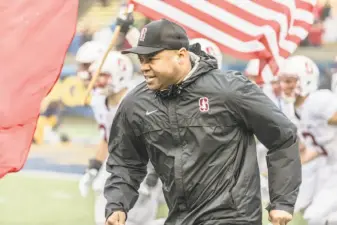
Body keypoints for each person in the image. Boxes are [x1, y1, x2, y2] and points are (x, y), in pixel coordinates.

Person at [104, 19, 301, 225]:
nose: (144, 67)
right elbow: (125, 160)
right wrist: (117, 204)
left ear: (181, 55)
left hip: (233, 217)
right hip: (181, 218)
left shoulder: (229, 90)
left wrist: (282, 201)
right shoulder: (136, 103)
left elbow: (283, 136)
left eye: (152, 59)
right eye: (141, 60)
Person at [278, 55, 337, 225]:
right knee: (308, 211)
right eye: (282, 81)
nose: (284, 86)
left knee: (316, 216)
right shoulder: (293, 109)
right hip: (328, 163)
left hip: (333, 166)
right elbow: (318, 149)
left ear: (306, 80)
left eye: (289, 81)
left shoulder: (318, 100)